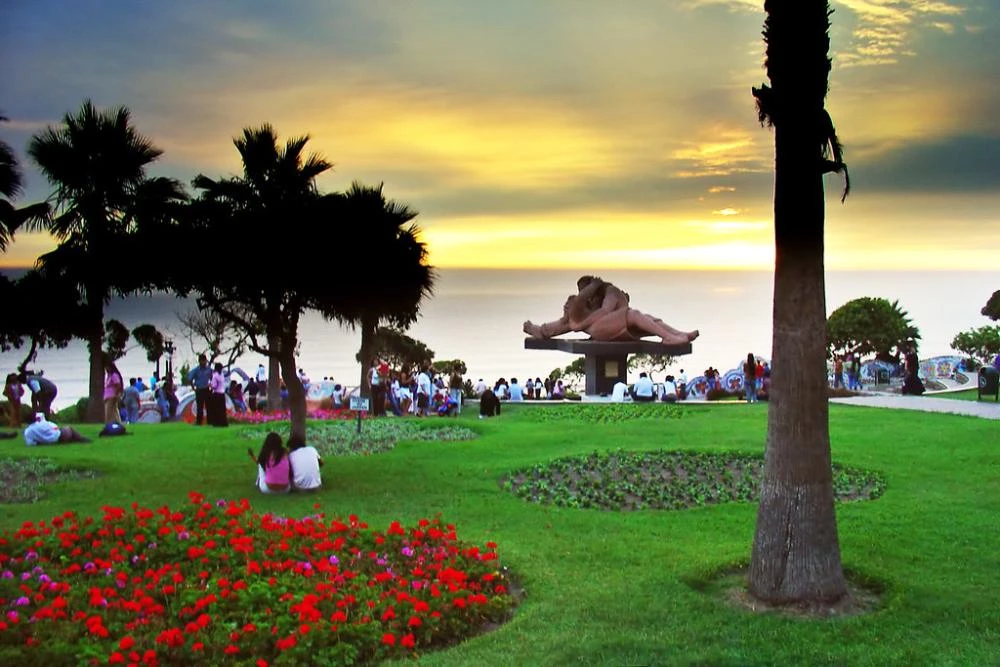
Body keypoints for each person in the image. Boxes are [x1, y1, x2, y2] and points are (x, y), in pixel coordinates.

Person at [524, 275, 699, 345]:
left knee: (648, 318)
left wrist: (580, 325)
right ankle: (668, 337)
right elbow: (564, 324)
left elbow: (605, 311)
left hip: (611, 328)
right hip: (603, 330)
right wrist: (538, 329)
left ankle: (677, 334)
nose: (585, 295)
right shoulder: (584, 307)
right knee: (634, 314)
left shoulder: (610, 292)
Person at [24, 412, 90, 445]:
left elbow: (30, 443)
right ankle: (82, 439)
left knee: (65, 432)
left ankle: (74, 440)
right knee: (69, 428)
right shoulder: (43, 423)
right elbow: (55, 427)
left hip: (51, 441)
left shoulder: (27, 432)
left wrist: (42, 441)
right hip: (59, 437)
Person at [187, 355, 213, 425]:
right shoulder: (196, 370)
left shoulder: (209, 369)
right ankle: (199, 422)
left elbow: (212, 378)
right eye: (203, 361)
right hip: (199, 390)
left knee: (209, 406)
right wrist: (193, 387)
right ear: (200, 361)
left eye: (205, 361)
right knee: (200, 407)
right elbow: (190, 379)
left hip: (207, 389)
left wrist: (211, 386)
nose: (204, 362)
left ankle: (210, 421)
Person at [103, 358, 125, 425]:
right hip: (107, 397)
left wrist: (115, 394)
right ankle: (118, 423)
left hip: (112, 396)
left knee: (109, 412)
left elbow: (118, 385)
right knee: (114, 412)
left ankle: (109, 424)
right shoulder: (109, 376)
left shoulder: (114, 375)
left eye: (107, 367)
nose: (106, 369)